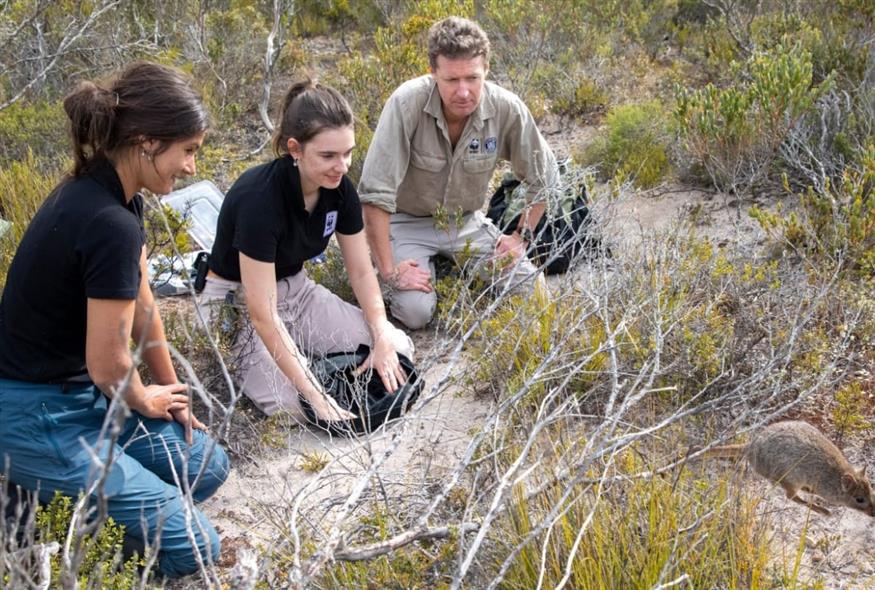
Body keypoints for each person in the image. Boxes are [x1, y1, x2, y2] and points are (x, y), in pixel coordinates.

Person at [0, 62, 229, 577]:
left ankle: (64, 498)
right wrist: (143, 397)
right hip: (34, 413)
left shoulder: (121, 200)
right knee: (195, 547)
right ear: (147, 142)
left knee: (205, 464)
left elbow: (146, 309)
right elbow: (107, 365)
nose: (192, 166)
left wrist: (173, 396)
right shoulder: (105, 222)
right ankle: (52, 529)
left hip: (83, 400)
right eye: (187, 150)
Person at [201, 80, 413, 421]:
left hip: (297, 292)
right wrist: (315, 394)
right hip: (237, 304)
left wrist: (381, 332)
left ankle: (306, 359)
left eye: (348, 153)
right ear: (295, 149)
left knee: (397, 348)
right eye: (328, 155)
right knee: (292, 405)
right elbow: (262, 313)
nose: (342, 166)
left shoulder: (339, 189)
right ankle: (300, 367)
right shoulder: (259, 199)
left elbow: (360, 271)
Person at [359, 16, 559, 330]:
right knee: (415, 313)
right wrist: (389, 270)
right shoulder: (405, 104)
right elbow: (374, 195)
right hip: (406, 220)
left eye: (472, 78)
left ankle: (447, 268)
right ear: (433, 73)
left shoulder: (506, 108)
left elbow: (545, 176)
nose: (463, 91)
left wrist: (521, 238)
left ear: (486, 71)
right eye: (452, 80)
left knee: (532, 293)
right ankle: (413, 269)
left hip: (465, 222)